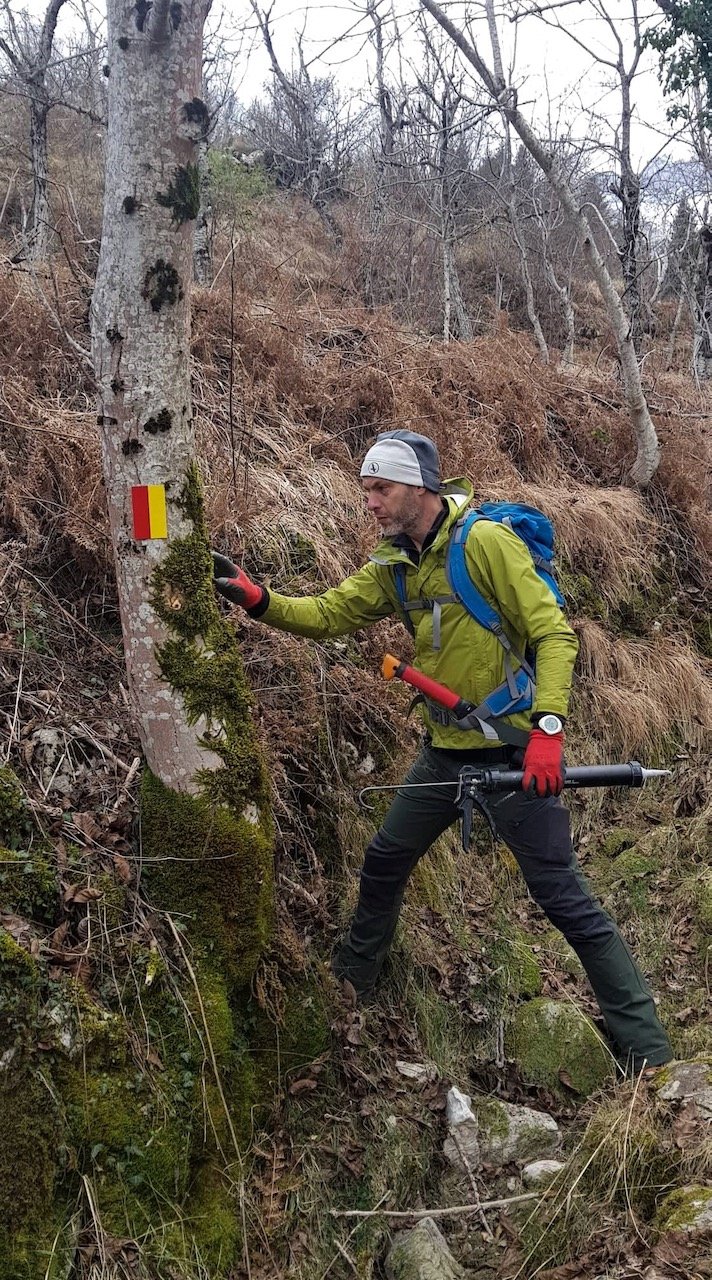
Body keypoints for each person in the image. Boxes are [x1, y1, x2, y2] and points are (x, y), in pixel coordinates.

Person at [213, 429, 671, 1075]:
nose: (370, 501)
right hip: (445, 755)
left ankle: (650, 1055)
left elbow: (554, 633)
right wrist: (258, 600)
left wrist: (547, 731)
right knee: (384, 859)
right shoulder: (396, 565)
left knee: (564, 900)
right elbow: (327, 612)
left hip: (514, 756)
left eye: (382, 488)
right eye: (365, 489)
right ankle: (353, 986)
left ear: (421, 488)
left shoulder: (483, 542)